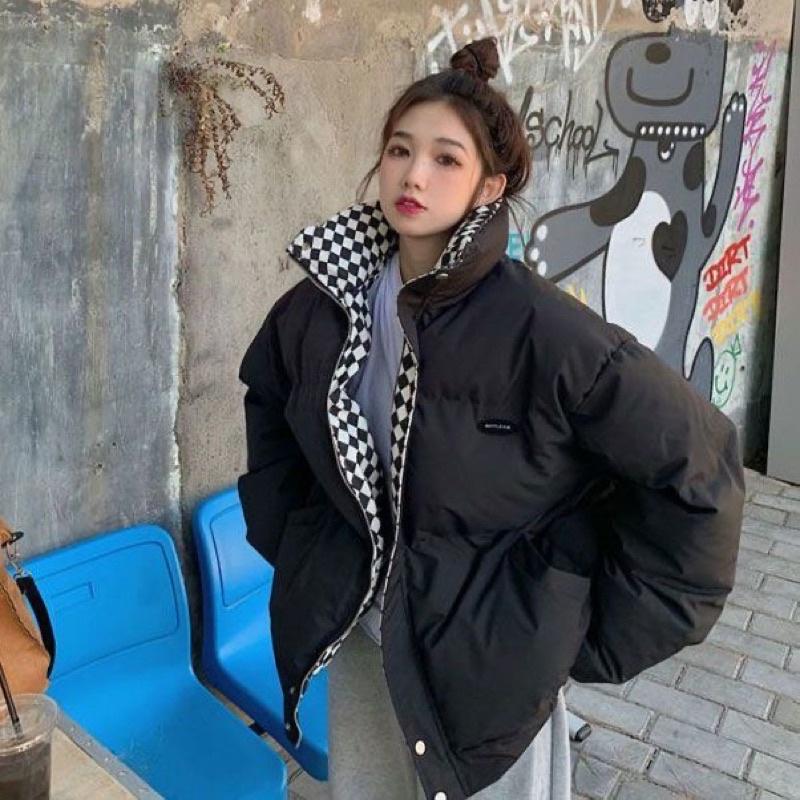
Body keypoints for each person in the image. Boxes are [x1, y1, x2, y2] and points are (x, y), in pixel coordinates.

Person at [238, 37, 744, 800]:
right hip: (364, 637)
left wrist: (574, 634)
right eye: (400, 150)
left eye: (446, 158)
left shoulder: (546, 331)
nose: (413, 175)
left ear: (490, 186)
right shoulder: (319, 308)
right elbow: (271, 415)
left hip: (491, 668)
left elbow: (699, 471)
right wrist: (308, 551)